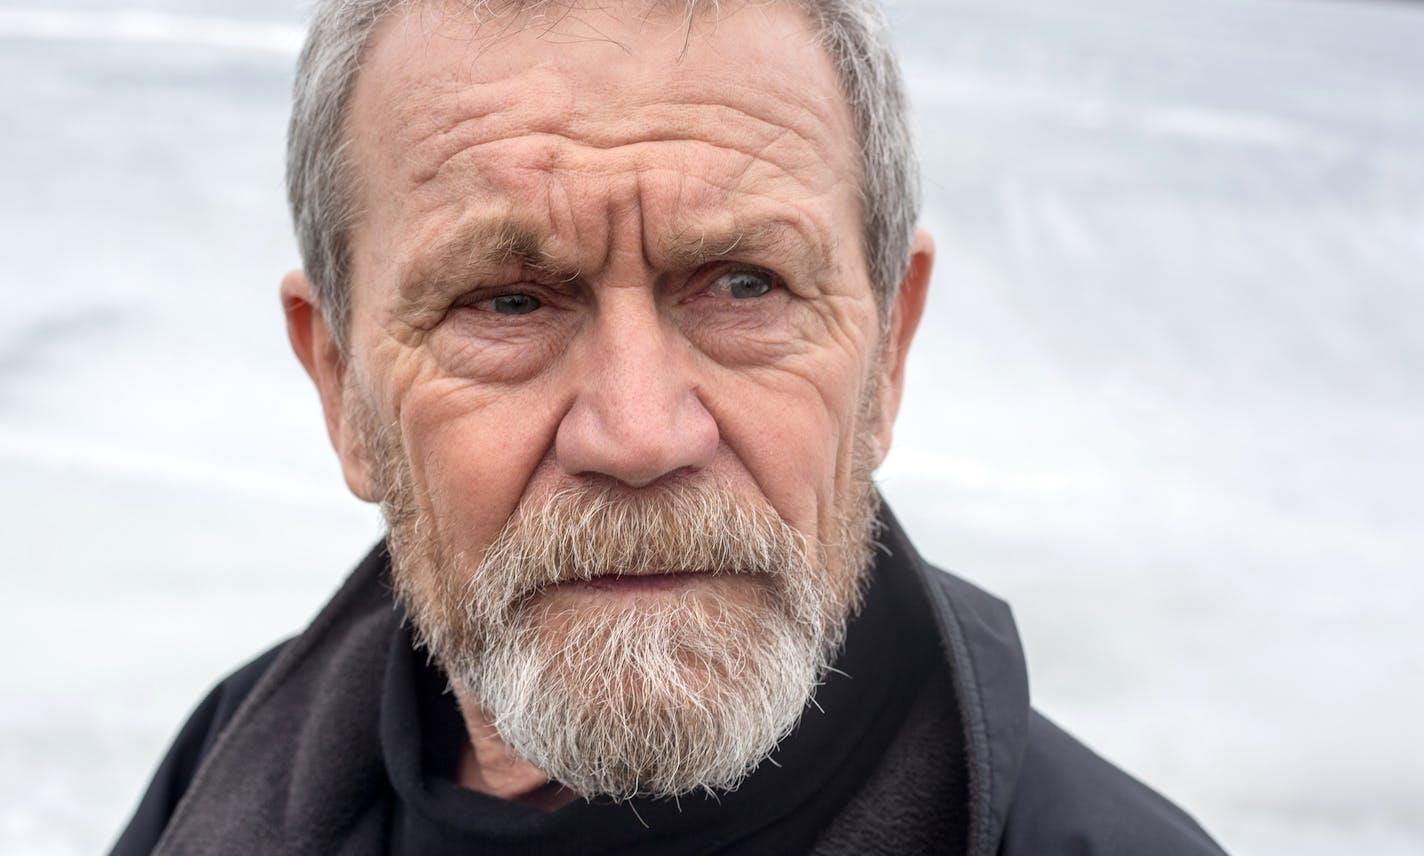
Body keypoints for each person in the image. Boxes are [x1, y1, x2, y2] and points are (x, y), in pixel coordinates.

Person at [112, 0, 1227, 853]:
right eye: (508, 302)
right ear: (341, 385)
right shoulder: (225, 775)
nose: (638, 435)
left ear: (885, 353)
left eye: (741, 286)